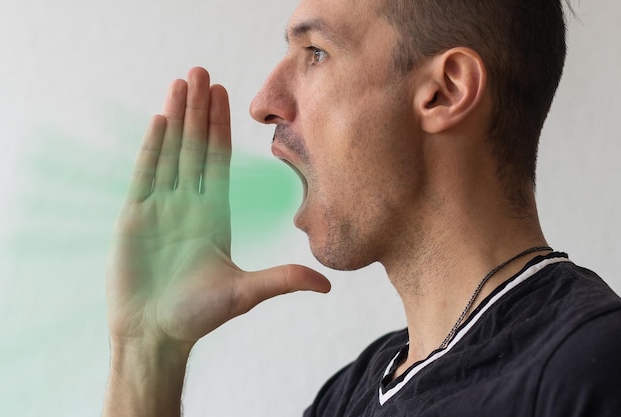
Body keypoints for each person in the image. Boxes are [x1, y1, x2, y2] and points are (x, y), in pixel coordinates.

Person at [101, 0, 621, 416]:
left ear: (444, 92)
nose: (263, 102)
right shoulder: (347, 397)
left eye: (316, 51)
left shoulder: (590, 369)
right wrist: (149, 352)